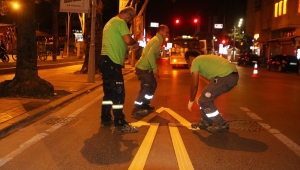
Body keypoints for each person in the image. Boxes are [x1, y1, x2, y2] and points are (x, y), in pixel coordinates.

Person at [99, 7, 139, 133]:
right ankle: (120, 123)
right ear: (128, 15)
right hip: (112, 61)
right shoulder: (120, 22)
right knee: (118, 93)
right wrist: (135, 42)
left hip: (105, 60)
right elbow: (128, 40)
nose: (131, 22)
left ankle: (105, 119)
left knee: (109, 93)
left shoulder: (110, 22)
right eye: (131, 19)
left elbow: (119, 42)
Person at [185, 50, 239, 133]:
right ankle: (206, 122)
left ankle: (222, 124)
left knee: (204, 100)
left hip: (225, 76)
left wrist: (191, 100)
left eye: (187, 61)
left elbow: (194, 84)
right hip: (231, 76)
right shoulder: (205, 60)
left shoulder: (195, 60)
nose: (188, 64)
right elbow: (213, 82)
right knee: (203, 99)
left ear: (190, 58)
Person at [131, 25, 169, 116]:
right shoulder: (156, 40)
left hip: (146, 68)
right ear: (161, 31)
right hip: (143, 68)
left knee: (153, 85)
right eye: (166, 32)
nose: (168, 34)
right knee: (146, 86)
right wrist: (155, 69)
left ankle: (145, 104)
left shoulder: (157, 40)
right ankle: (137, 108)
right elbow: (150, 55)